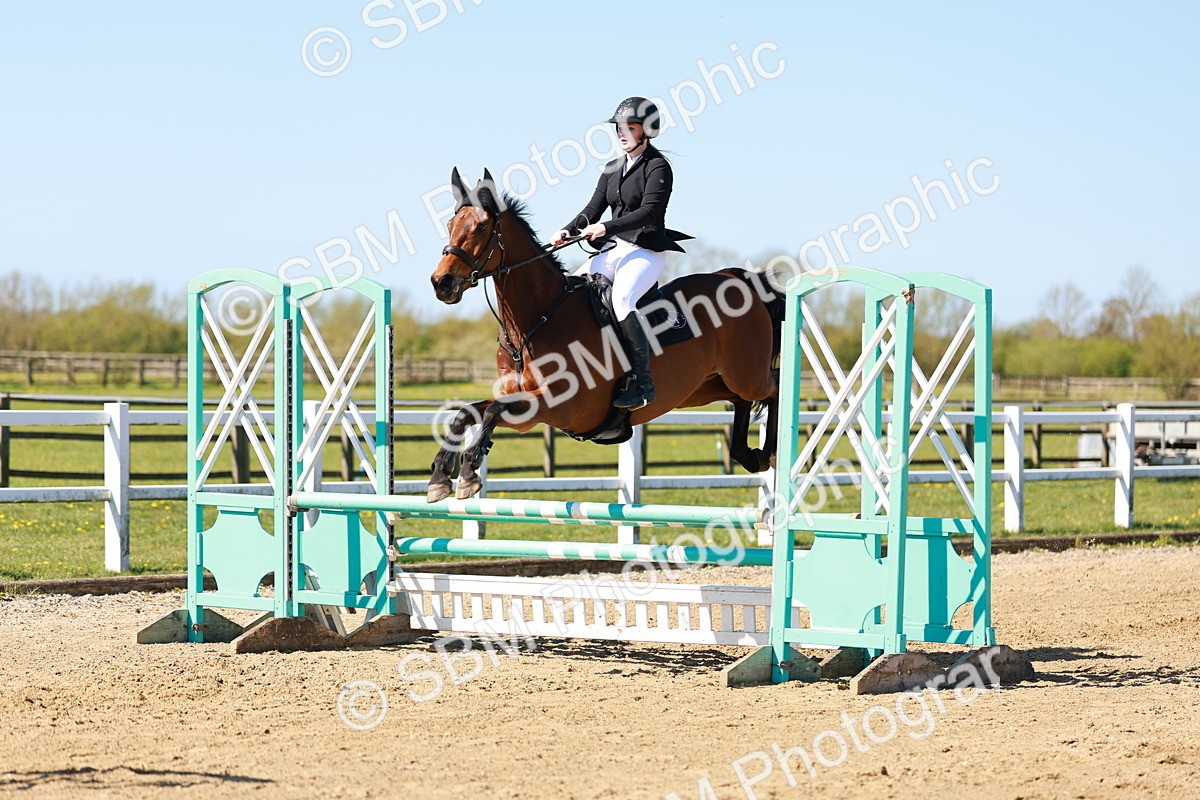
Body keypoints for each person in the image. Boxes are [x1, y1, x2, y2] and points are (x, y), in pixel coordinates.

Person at [551, 96, 692, 410]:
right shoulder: (613, 168)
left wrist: (606, 228)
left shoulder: (658, 167)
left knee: (621, 299)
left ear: (647, 130)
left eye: (630, 127)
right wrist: (567, 230)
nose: (622, 133)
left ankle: (643, 384)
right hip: (615, 250)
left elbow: (648, 213)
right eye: (619, 128)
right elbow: (592, 209)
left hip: (645, 251)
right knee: (570, 290)